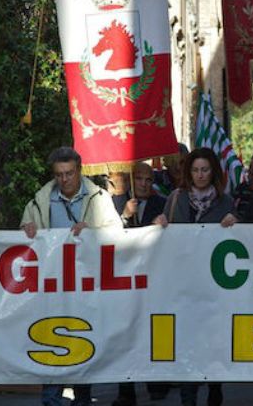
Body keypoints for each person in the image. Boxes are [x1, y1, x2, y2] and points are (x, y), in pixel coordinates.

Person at [19, 147, 122, 406]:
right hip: (51, 287)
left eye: (69, 173)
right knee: (51, 347)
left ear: (79, 170)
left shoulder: (99, 199)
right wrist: (25, 228)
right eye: (59, 175)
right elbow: (23, 235)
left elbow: (116, 233)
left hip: (85, 287)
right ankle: (51, 400)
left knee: (82, 344)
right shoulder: (39, 201)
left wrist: (93, 230)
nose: (64, 179)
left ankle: (82, 399)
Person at [154, 147, 236, 406]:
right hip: (182, 283)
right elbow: (163, 233)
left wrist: (236, 223)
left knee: (212, 339)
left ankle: (214, 385)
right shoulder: (176, 198)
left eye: (205, 170)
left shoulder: (225, 202)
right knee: (186, 340)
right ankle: (188, 396)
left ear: (213, 172)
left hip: (213, 284)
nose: (200, 175)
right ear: (189, 173)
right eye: (196, 170)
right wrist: (159, 224)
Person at [113, 162, 169, 406]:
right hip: (124, 281)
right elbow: (106, 234)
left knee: (153, 331)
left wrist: (164, 226)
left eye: (148, 180)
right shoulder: (116, 203)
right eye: (139, 179)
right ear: (130, 180)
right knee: (126, 333)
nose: (144, 184)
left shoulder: (162, 204)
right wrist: (125, 215)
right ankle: (126, 391)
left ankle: (156, 383)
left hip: (154, 280)